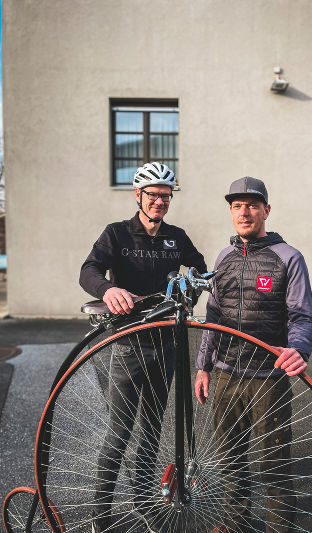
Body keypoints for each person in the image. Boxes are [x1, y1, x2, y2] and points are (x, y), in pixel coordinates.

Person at [79, 162, 207, 533]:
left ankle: (142, 502)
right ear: (138, 195)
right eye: (153, 195)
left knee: (151, 429)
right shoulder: (117, 234)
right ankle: (101, 515)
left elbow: (199, 269)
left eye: (166, 197)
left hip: (166, 344)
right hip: (128, 345)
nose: (159, 202)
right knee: (120, 431)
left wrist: (192, 287)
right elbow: (88, 270)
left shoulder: (177, 237)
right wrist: (108, 289)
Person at [195, 176, 312, 533]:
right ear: (231, 212)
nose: (243, 212)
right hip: (227, 374)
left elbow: (302, 316)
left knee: (273, 465)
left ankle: (280, 529)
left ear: (266, 210)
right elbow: (213, 316)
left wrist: (298, 348)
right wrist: (203, 367)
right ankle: (235, 524)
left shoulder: (289, 257)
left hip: (269, 379)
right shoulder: (225, 258)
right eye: (236, 206)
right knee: (230, 461)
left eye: (251, 205)